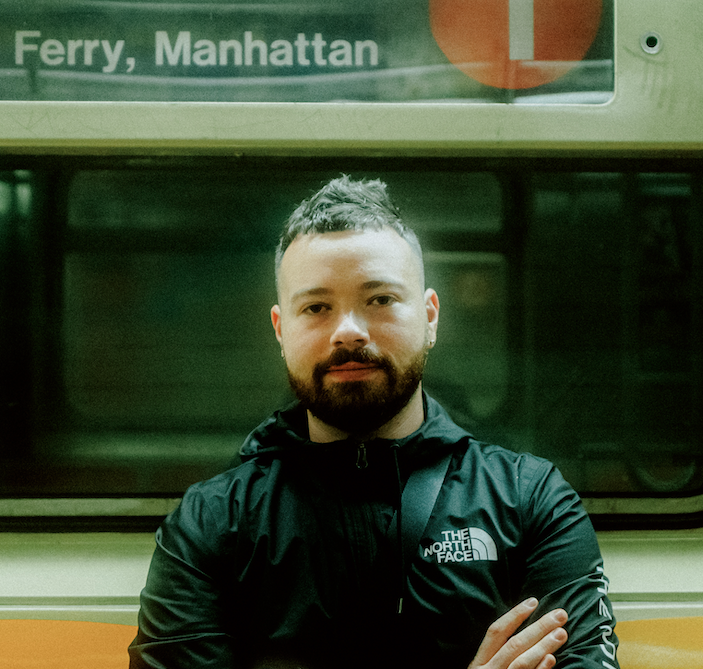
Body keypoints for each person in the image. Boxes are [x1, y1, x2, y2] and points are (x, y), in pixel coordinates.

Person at [129, 175, 619, 669]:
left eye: (380, 300)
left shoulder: (529, 501)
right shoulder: (213, 524)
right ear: (281, 329)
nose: (348, 332)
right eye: (316, 307)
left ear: (429, 317)